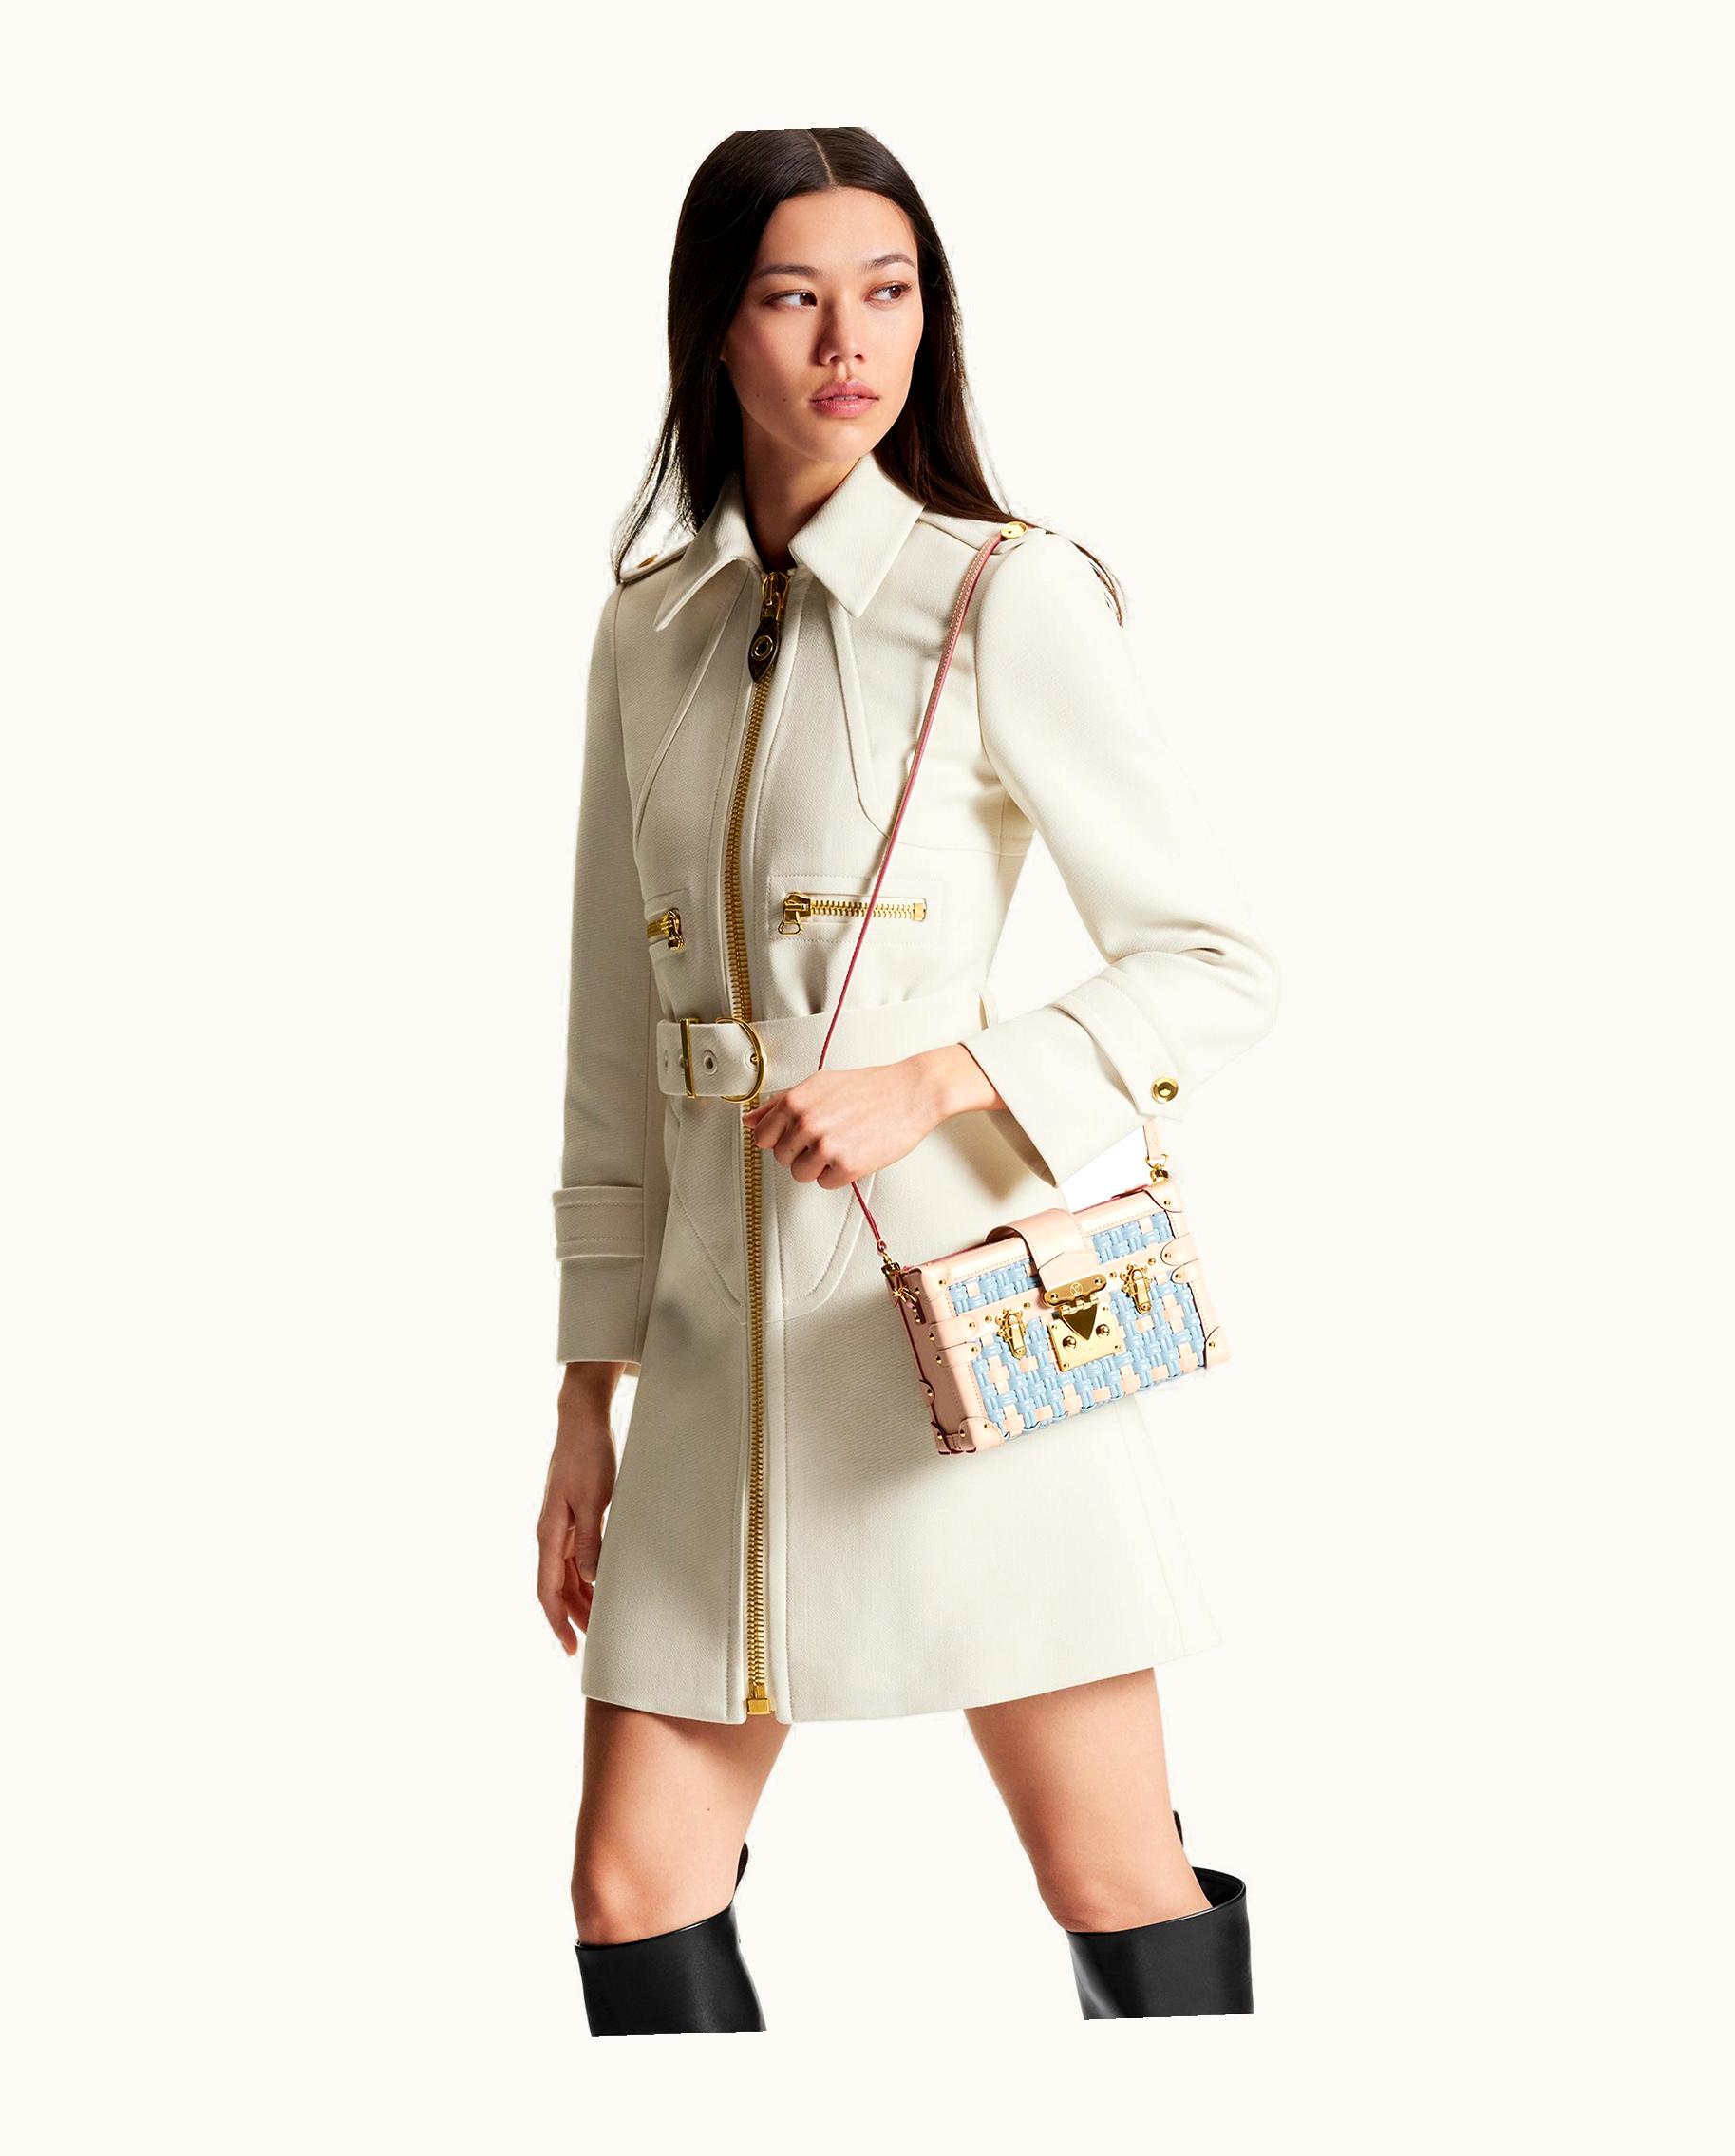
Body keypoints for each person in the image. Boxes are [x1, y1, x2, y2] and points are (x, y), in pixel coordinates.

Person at [537, 127, 1279, 2034]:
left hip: (960, 1349)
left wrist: (942, 1075)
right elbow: (612, 1042)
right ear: (716, 329)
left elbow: (1212, 963)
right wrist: (586, 1390)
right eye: (793, 295)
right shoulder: (648, 629)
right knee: (629, 1887)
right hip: (712, 1360)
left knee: (1108, 1871)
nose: (847, 341)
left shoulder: (999, 596)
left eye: (887, 293)